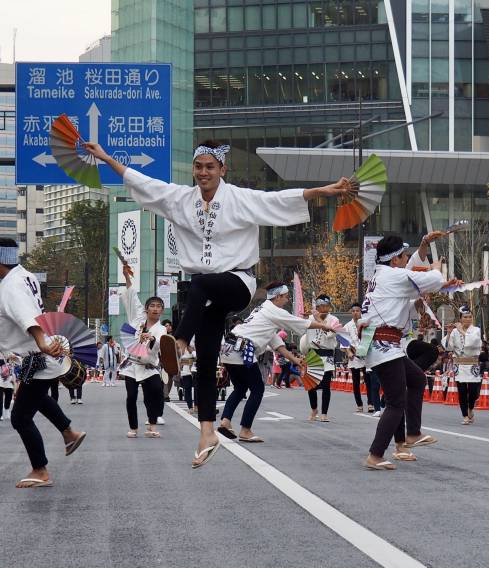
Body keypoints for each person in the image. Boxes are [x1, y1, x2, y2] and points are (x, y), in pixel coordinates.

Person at [84, 138, 351, 468]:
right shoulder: (181, 199)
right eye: (198, 167)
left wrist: (324, 191)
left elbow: (279, 200)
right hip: (205, 296)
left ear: (223, 169)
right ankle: (207, 432)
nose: (203, 173)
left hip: (237, 283)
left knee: (200, 284)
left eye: (210, 167)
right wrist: (106, 157)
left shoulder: (239, 198)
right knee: (207, 359)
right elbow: (143, 181)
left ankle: (178, 342)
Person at [0, 231, 87, 488]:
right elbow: (0, 256)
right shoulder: (22, 274)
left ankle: (40, 469)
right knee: (38, 399)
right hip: (34, 358)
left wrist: (43, 344)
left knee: (20, 417)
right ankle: (69, 433)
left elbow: (28, 318)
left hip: (37, 355)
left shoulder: (12, 288)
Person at [361, 233, 445, 470]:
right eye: (404, 255)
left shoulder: (383, 274)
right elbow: (430, 279)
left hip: (387, 345)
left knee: (417, 378)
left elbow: (410, 272)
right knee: (396, 402)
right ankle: (376, 454)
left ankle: (412, 434)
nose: (406, 258)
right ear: (396, 259)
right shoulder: (393, 276)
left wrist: (424, 246)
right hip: (384, 345)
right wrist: (437, 269)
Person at [218, 281, 331, 442]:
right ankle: (245, 430)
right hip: (242, 350)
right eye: (285, 297)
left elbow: (278, 344)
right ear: (277, 297)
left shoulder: (263, 312)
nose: (287, 300)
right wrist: (322, 325)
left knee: (241, 387)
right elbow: (299, 322)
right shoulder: (272, 310)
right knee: (257, 389)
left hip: (229, 349)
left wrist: (296, 361)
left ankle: (225, 421)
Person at [118, 262, 166, 439]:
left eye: (158, 306)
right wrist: (126, 277)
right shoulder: (137, 316)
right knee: (131, 396)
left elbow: (160, 343)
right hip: (131, 364)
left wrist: (151, 339)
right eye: (152, 305)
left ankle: (152, 426)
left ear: (162, 310)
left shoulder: (161, 329)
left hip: (148, 366)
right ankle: (133, 428)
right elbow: (132, 295)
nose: (155, 308)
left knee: (154, 392)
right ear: (147, 309)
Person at [302, 294, 340, 422]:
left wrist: (319, 320)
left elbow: (330, 334)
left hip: (327, 353)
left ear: (329, 307)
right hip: (313, 353)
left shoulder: (334, 319)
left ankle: (324, 413)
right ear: (317, 307)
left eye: (326, 306)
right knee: (311, 385)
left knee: (326, 385)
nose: (323, 309)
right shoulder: (309, 318)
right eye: (320, 306)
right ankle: (314, 409)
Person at [445, 307, 484, 425]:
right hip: (460, 364)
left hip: (472, 363)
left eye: (470, 317)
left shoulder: (476, 330)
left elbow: (474, 342)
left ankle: (470, 407)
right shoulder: (455, 331)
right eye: (465, 317)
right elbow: (448, 347)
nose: (468, 319)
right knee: (461, 391)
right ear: (460, 318)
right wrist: (449, 333)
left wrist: (461, 330)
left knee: (473, 391)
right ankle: (465, 415)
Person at [345, 302, 368, 413]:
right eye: (353, 311)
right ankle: (359, 404)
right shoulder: (347, 326)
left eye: (357, 311)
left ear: (361, 312)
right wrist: (349, 351)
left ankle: (371, 403)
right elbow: (343, 342)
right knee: (356, 381)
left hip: (366, 355)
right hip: (354, 355)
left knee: (369, 380)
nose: (355, 313)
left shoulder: (366, 323)